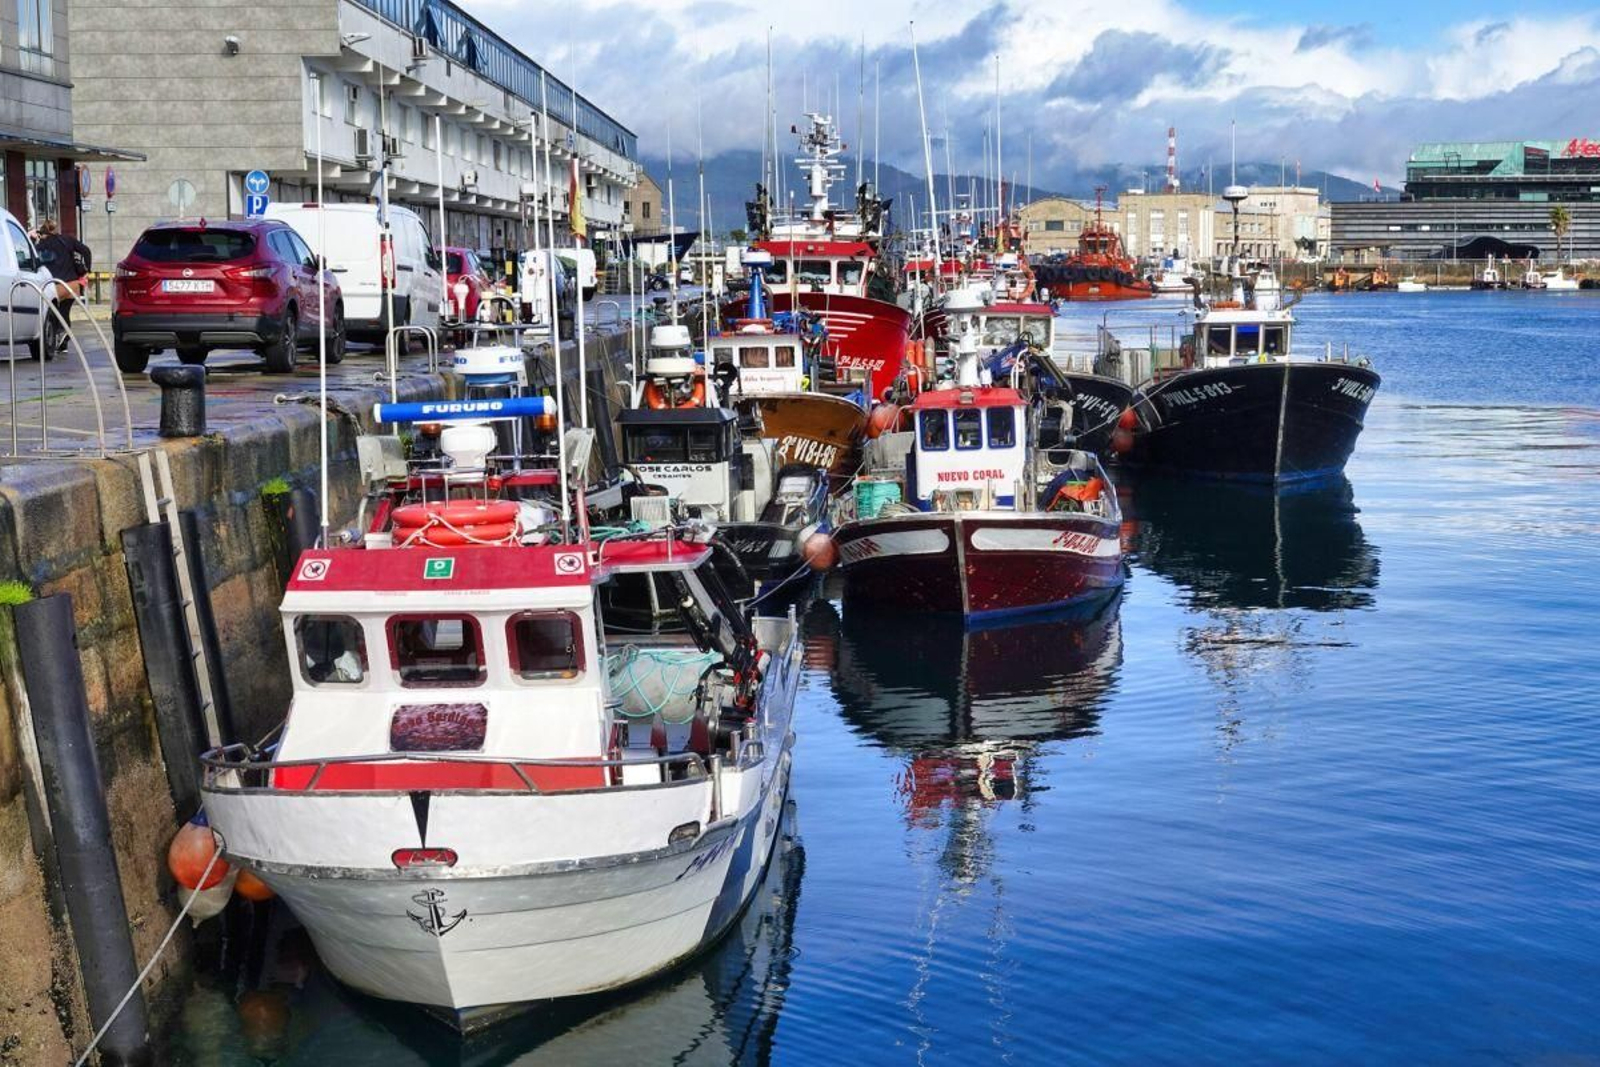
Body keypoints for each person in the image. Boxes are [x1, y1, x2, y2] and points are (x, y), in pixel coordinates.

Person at [33, 219, 91, 355]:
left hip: (53, 286)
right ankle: (63, 344)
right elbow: (86, 250)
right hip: (72, 284)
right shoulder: (67, 240)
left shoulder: (41, 245)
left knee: (53, 314)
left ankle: (60, 335)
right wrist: (88, 268)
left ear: (43, 232)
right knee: (64, 312)